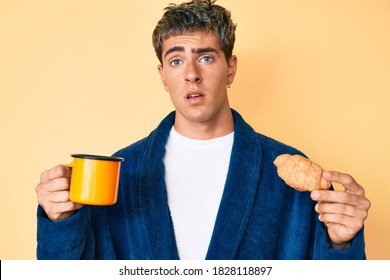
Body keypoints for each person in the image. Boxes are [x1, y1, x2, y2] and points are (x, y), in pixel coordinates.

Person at [35, 0, 371, 260]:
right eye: (176, 60)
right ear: (163, 75)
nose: (191, 74)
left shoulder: (285, 171)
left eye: (206, 58)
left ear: (231, 69)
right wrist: (60, 222)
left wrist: (341, 243)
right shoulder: (121, 171)